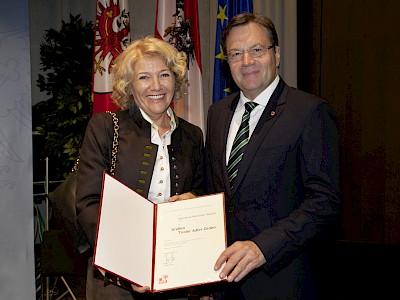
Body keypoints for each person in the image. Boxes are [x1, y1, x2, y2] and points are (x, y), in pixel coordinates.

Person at [204, 13, 342, 300]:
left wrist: (262, 248)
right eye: (236, 53)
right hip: (224, 283)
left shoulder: (310, 112)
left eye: (257, 50)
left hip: (283, 281)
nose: (247, 62)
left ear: (276, 55)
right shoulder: (217, 113)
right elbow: (220, 191)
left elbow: (324, 202)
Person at [76, 36, 205, 300]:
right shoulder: (104, 127)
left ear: (176, 80)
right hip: (115, 280)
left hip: (176, 277)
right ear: (129, 86)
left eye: (164, 75)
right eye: (144, 77)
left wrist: (194, 201)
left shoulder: (193, 135)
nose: (156, 86)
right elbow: (89, 204)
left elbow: (204, 193)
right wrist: (128, 266)